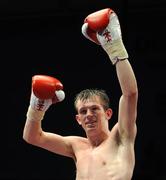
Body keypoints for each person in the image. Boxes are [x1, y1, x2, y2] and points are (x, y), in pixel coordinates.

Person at [23, 8, 138, 180]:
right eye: (83, 111)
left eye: (94, 109)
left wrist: (114, 48)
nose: (89, 115)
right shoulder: (76, 146)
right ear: (78, 119)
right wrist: (37, 107)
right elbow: (32, 137)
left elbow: (130, 94)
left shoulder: (121, 136)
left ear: (108, 113)